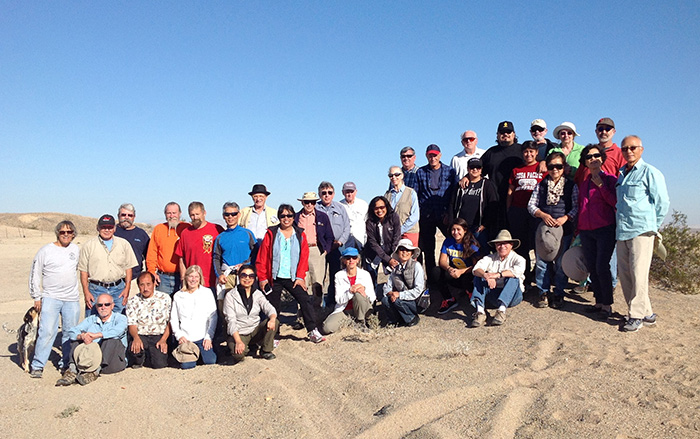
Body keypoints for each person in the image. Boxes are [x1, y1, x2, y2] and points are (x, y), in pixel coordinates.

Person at [616, 135, 669, 332]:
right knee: (626, 274)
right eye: (625, 148)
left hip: (642, 231)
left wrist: (653, 226)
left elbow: (662, 202)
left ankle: (635, 316)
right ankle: (646, 313)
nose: (628, 151)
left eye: (633, 147)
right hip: (622, 231)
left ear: (641, 149)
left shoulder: (650, 172)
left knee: (639, 273)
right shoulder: (622, 173)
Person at [257, 204, 326, 344]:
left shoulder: (300, 234)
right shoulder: (271, 233)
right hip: (274, 277)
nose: (286, 219)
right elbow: (262, 257)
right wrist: (263, 278)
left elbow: (303, 257)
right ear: (279, 217)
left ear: (293, 217)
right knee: (273, 306)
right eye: (282, 216)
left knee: (305, 300)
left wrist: (300, 277)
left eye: (289, 215)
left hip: (293, 277)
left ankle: (312, 330)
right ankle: (274, 336)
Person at [28, 220, 81, 378]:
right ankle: (38, 364)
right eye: (63, 232)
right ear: (58, 233)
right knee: (47, 331)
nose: (66, 235)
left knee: (70, 332)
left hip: (71, 298)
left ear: (73, 234)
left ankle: (66, 364)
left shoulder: (75, 249)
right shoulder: (46, 250)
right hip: (51, 297)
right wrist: (37, 296)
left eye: (69, 232)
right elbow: (35, 273)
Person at [528, 152, 579, 309]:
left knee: (560, 263)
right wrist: (542, 215)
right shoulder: (541, 185)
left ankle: (559, 292)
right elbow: (531, 205)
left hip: (564, 229)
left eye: (558, 166)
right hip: (544, 230)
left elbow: (577, 206)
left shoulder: (571, 186)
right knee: (542, 262)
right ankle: (543, 292)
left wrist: (566, 218)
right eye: (551, 166)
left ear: (564, 167)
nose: (555, 169)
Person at [577, 144, 617, 319]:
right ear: (585, 162)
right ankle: (598, 302)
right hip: (586, 231)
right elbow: (581, 207)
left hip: (605, 229)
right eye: (588, 157)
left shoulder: (609, 180)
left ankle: (607, 305)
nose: (593, 159)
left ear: (602, 159)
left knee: (602, 266)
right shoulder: (584, 184)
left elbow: (615, 202)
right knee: (592, 267)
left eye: (596, 156)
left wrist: (601, 186)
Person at [56, 294, 128, 386]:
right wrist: (81, 336)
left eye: (107, 304)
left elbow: (117, 331)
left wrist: (96, 335)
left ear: (112, 306)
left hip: (111, 362)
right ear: (96, 307)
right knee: (76, 338)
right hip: (91, 358)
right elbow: (72, 331)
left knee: (111, 340)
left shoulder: (120, 318)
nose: (103, 307)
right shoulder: (91, 319)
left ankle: (94, 373)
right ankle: (72, 371)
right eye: (100, 305)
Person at [78, 214, 138, 315]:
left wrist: (127, 288)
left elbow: (128, 268)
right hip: (95, 290)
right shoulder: (89, 246)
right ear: (98, 228)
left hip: (118, 290)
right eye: (103, 227)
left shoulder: (124, 244)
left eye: (110, 227)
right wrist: (86, 292)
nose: (107, 230)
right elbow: (83, 271)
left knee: (119, 321)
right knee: (92, 321)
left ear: (114, 228)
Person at [415, 144, 458, 282]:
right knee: (428, 249)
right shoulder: (421, 172)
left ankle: (453, 273)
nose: (432, 158)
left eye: (435, 155)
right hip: (426, 215)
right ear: (427, 156)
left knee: (453, 242)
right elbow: (416, 194)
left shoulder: (450, 171)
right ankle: (433, 279)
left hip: (444, 214)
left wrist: (449, 213)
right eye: (430, 155)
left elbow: (454, 193)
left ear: (440, 155)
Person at [507, 142, 546, 283]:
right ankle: (525, 277)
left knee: (538, 245)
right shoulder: (516, 170)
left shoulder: (542, 168)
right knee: (521, 246)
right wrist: (509, 209)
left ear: (536, 152)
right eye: (525, 152)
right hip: (518, 210)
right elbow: (510, 191)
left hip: (536, 212)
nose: (528, 154)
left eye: (531, 151)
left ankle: (541, 278)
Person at [469, 230, 526, 327]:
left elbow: (517, 271)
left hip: (513, 296)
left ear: (511, 245)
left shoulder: (519, 259)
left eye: (505, 243)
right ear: (495, 246)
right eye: (499, 244)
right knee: (478, 277)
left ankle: (501, 311)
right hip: (493, 294)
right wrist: (486, 276)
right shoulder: (490, 258)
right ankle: (480, 312)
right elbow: (476, 269)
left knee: (513, 277)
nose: (502, 246)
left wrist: (497, 275)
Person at [223, 264, 279, 362]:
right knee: (238, 356)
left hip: (254, 330)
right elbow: (231, 321)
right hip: (240, 332)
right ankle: (245, 346)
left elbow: (269, 308)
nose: (247, 278)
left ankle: (265, 350)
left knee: (275, 321)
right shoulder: (230, 296)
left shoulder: (257, 293)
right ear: (239, 276)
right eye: (244, 275)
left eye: (251, 276)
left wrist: (272, 319)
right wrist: (238, 341)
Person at [170, 265, 218, 369]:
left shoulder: (207, 292)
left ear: (200, 278)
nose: (193, 279)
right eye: (191, 276)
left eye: (196, 276)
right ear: (186, 277)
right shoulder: (178, 295)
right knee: (187, 366)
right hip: (187, 338)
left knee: (210, 361)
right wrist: (179, 336)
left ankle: (202, 354)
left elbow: (213, 317)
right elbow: (173, 318)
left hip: (203, 337)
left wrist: (209, 337)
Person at [480, 121, 524, 229]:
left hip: (517, 200)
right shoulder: (491, 152)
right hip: (495, 200)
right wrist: (467, 177)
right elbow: (478, 170)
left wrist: (542, 162)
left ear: (514, 134)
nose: (505, 135)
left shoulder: (522, 150)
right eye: (502, 132)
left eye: (508, 132)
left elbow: (535, 163)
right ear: (498, 135)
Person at [322, 247, 375, 334]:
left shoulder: (365, 274)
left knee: (358, 294)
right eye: (348, 258)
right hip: (344, 310)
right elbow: (338, 300)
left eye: (354, 258)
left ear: (358, 260)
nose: (351, 260)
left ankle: (361, 322)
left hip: (362, 309)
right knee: (327, 328)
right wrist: (350, 292)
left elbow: (372, 297)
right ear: (343, 260)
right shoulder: (338, 276)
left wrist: (363, 293)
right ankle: (352, 322)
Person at [295, 192, 334, 305]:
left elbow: (329, 236)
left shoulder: (322, 216)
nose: (309, 205)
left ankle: (317, 310)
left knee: (317, 282)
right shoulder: (296, 217)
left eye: (312, 202)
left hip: (316, 250)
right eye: (307, 202)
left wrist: (326, 249)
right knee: (302, 281)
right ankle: (302, 311)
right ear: (302, 202)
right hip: (300, 251)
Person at [125, 272, 171, 369]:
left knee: (159, 364)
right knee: (135, 352)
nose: (145, 288)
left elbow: (170, 322)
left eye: (148, 284)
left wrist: (163, 340)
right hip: (141, 334)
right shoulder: (133, 301)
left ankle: (152, 355)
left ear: (154, 283)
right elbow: (131, 323)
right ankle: (141, 358)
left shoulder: (165, 298)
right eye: (142, 285)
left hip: (158, 335)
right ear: (138, 286)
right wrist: (136, 338)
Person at [451, 157, 499, 250]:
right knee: (462, 251)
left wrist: (485, 224)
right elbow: (452, 203)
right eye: (472, 168)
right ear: (468, 169)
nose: (475, 170)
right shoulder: (460, 185)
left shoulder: (487, 184)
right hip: (462, 226)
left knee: (480, 251)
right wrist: (452, 222)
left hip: (479, 227)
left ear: (481, 169)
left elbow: (493, 206)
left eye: (478, 168)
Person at [316, 181, 350, 308]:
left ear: (333, 194)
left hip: (337, 247)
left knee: (336, 275)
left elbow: (347, 227)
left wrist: (340, 241)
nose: (326, 195)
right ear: (319, 194)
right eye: (324, 193)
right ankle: (318, 304)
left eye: (329, 193)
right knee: (319, 277)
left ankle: (334, 302)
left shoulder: (340, 208)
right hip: (321, 248)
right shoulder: (315, 208)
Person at [175, 202, 224, 290]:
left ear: (204, 213)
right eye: (192, 215)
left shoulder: (216, 229)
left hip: (212, 281)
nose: (195, 217)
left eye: (197, 214)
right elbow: (181, 259)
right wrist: (183, 279)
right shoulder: (185, 233)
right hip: (193, 282)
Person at [437, 218, 480, 314]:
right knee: (436, 272)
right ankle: (449, 300)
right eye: (453, 229)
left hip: (469, 275)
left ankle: (472, 294)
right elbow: (442, 261)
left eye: (458, 229)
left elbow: (478, 266)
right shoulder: (448, 242)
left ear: (465, 230)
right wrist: (449, 269)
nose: (455, 232)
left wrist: (461, 271)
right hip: (454, 273)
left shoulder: (472, 244)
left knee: (468, 277)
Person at [212, 202, 256, 295]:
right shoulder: (220, 237)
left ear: (239, 215)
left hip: (245, 276)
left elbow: (256, 253)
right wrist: (219, 275)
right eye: (227, 214)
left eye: (234, 214)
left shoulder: (247, 234)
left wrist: (245, 265)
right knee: (225, 306)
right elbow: (216, 257)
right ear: (223, 216)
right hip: (227, 277)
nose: (230, 217)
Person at [146, 202, 189, 295]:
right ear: (165, 214)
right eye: (169, 213)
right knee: (163, 307)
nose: (172, 216)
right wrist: (152, 272)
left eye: (174, 213)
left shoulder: (187, 228)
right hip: (163, 278)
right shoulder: (159, 229)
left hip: (184, 277)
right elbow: (152, 253)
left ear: (180, 213)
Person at [382, 239, 425, 327]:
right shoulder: (394, 268)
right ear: (397, 252)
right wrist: (391, 293)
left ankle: (412, 318)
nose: (405, 252)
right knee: (385, 300)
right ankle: (395, 320)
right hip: (400, 297)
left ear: (412, 253)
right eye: (402, 249)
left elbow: (418, 289)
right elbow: (387, 286)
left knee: (398, 301)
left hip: (415, 300)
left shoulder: (417, 266)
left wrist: (400, 295)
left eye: (408, 250)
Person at [364, 196, 402, 292]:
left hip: (391, 252)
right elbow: (373, 243)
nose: (379, 210)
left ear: (386, 207)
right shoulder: (369, 222)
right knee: (371, 278)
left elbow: (397, 236)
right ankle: (372, 301)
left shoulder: (394, 217)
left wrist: (392, 256)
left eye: (382, 207)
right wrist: (387, 259)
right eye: (376, 208)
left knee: (396, 277)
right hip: (373, 253)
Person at [574, 117, 625, 184]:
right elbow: (578, 177)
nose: (604, 132)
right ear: (596, 131)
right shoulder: (588, 152)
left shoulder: (620, 154)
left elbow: (622, 180)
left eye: (607, 129)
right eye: (600, 129)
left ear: (613, 132)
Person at [114, 203, 150, 295]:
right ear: (118, 216)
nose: (126, 217)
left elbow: (149, 257)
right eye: (123, 215)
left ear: (134, 217)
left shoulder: (141, 234)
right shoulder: (111, 232)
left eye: (130, 215)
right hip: (114, 281)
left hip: (134, 280)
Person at [385, 166, 420, 246]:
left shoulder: (411, 192)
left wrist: (400, 230)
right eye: (391, 175)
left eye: (397, 175)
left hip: (409, 232)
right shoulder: (387, 195)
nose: (394, 177)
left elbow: (415, 216)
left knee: (409, 257)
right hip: (392, 234)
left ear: (402, 176)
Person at [339, 181, 369, 251]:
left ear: (356, 192)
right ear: (343, 192)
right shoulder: (339, 206)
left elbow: (368, 222)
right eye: (347, 192)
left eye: (351, 192)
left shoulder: (363, 204)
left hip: (361, 240)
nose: (349, 194)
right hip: (346, 242)